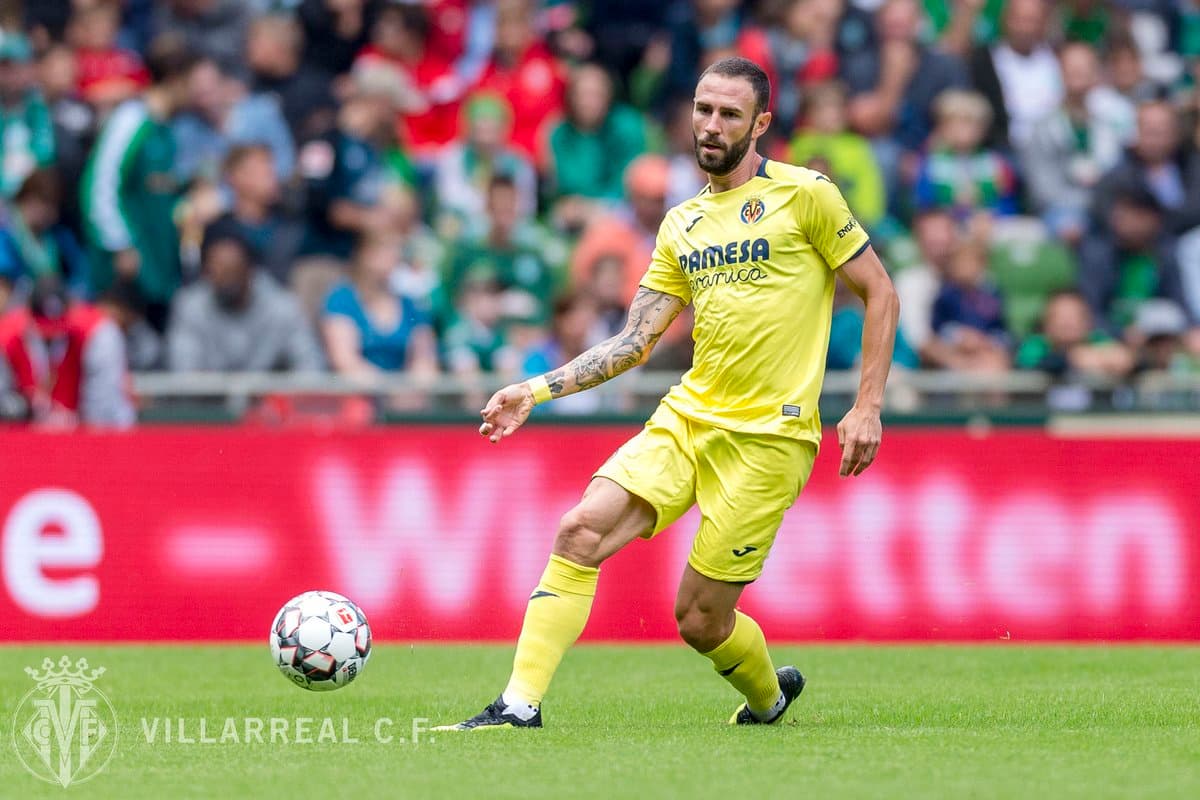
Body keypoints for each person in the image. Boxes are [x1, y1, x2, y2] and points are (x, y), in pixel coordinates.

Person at [435, 57, 899, 731]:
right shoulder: (682, 223)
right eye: (703, 109)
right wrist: (535, 390)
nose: (711, 125)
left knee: (700, 619)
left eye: (730, 114)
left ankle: (768, 699)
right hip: (688, 418)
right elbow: (633, 342)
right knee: (579, 530)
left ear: (761, 124)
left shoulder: (808, 196)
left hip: (769, 438)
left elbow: (880, 290)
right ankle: (517, 707)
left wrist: (867, 405)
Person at [80, 37, 197, 331]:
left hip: (159, 265)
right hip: (127, 270)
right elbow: (99, 184)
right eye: (192, 82)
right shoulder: (131, 120)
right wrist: (119, 244)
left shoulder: (166, 128)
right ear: (176, 80)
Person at [166, 219, 324, 372]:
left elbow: (310, 367)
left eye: (233, 271)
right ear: (206, 273)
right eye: (219, 272)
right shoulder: (190, 306)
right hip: (205, 391)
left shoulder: (282, 307)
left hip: (267, 390)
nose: (227, 280)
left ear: (251, 269)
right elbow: (183, 373)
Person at [0, 276, 134, 428]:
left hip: (86, 430)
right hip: (27, 432)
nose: (50, 337)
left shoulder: (98, 333)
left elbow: (103, 415)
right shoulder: (8, 335)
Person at [321, 234, 439, 377]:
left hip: (405, 389)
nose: (394, 257)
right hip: (359, 389)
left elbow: (425, 358)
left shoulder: (410, 304)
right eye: (385, 251)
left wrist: (416, 383)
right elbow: (345, 361)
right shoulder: (342, 300)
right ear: (364, 254)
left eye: (397, 251)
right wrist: (388, 387)